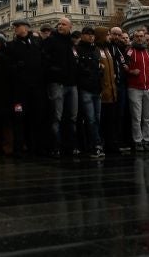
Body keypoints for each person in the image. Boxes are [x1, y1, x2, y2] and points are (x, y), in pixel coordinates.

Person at [38, 17, 74, 157]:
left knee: (71, 116)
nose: (60, 26)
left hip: (71, 84)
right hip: (56, 83)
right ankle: (55, 146)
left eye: (63, 24)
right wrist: (53, 70)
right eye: (58, 24)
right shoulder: (51, 41)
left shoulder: (70, 42)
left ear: (70, 27)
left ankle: (69, 145)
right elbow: (44, 59)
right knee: (56, 116)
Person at [76, 26, 105, 158]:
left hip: (96, 88)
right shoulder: (77, 49)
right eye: (87, 34)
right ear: (82, 35)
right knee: (90, 118)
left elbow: (99, 67)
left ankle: (94, 143)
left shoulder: (95, 50)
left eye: (92, 35)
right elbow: (79, 68)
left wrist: (99, 71)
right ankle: (95, 145)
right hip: (85, 88)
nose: (91, 37)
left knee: (96, 119)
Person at [126, 27, 149, 153]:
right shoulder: (130, 51)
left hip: (148, 87)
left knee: (148, 117)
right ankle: (138, 141)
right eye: (136, 36)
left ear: (144, 37)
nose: (139, 38)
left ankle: (147, 140)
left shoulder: (148, 51)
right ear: (133, 38)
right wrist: (131, 71)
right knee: (136, 117)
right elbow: (123, 67)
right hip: (135, 88)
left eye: (141, 36)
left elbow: (148, 67)